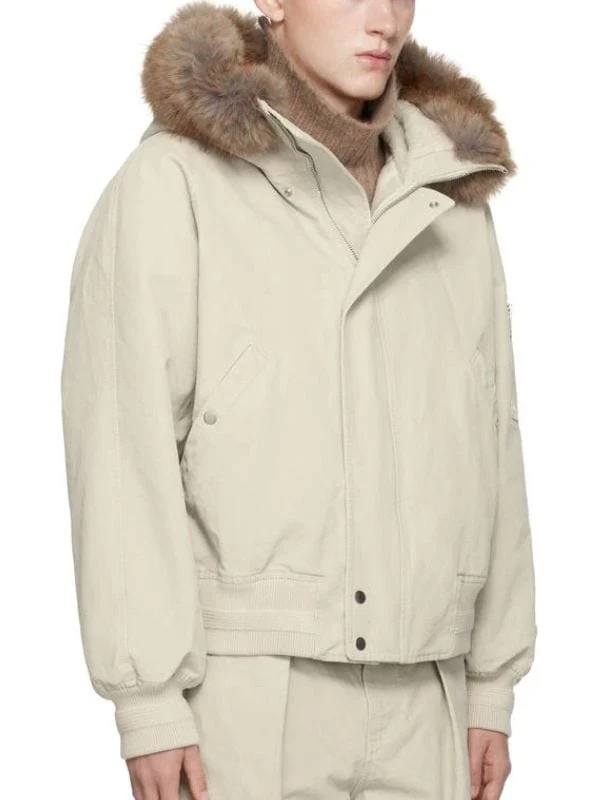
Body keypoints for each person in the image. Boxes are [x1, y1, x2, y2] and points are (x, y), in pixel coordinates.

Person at [60, 1, 537, 798]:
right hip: (248, 693)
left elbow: (493, 438)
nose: (383, 18)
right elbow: (121, 444)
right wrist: (149, 701)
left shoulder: (450, 197)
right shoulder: (174, 183)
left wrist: (492, 681)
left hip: (431, 692)